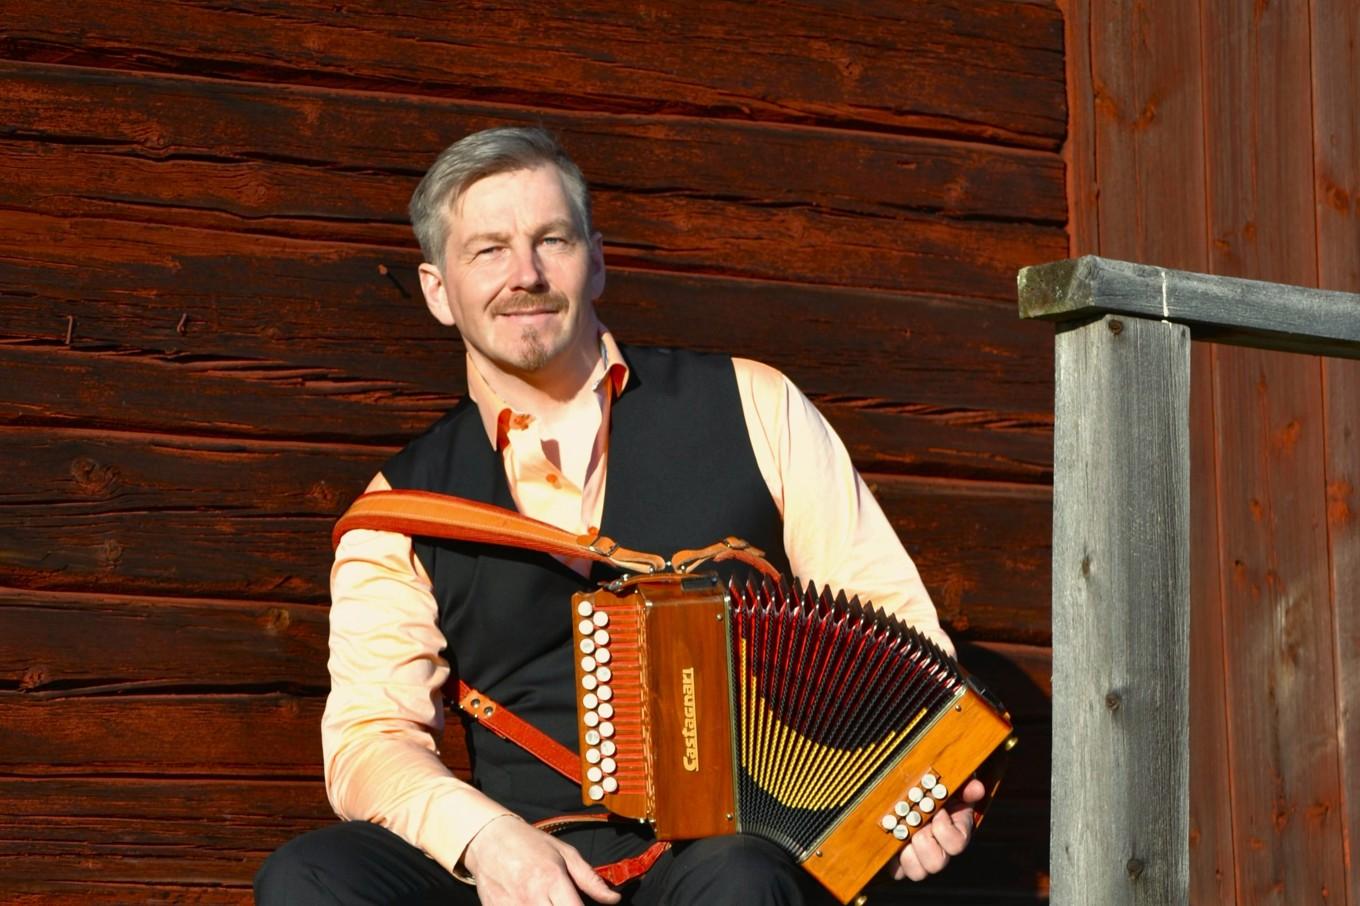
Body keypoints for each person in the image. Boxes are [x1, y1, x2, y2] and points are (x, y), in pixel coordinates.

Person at [255, 126, 984, 905]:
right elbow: (371, 741)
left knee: (739, 872)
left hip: (724, 860)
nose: (525, 275)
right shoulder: (397, 510)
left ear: (596, 261)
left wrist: (919, 787)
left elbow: (889, 618)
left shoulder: (752, 403)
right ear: (439, 289)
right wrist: (486, 840)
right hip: (525, 876)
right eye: (489, 250)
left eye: (552, 241)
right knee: (309, 878)